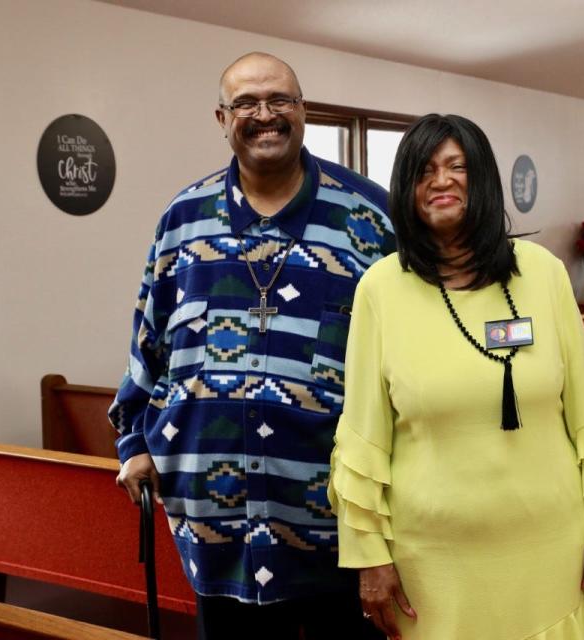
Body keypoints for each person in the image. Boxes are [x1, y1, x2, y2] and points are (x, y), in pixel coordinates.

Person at [108, 52, 393, 639]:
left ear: (303, 111)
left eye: (279, 100)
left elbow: (408, 356)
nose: (265, 115)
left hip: (340, 526)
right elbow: (148, 341)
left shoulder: (370, 215)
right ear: (222, 117)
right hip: (216, 525)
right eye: (246, 103)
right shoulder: (182, 220)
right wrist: (133, 441)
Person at [327, 114, 584, 640]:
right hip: (432, 564)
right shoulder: (381, 288)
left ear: (483, 178)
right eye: (423, 171)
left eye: (456, 166)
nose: (440, 181)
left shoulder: (543, 273)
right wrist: (368, 553)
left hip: (547, 550)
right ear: (406, 189)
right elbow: (362, 437)